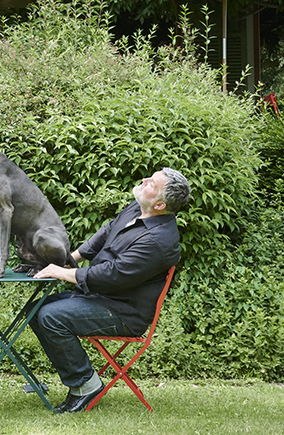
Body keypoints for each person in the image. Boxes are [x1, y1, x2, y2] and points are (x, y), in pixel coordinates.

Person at [30, 167, 190, 413]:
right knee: (34, 310)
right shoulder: (137, 209)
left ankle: (86, 385)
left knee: (50, 317)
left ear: (160, 205)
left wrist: (63, 273)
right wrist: (69, 259)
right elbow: (106, 232)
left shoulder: (158, 242)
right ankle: (81, 378)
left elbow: (112, 276)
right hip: (98, 297)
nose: (144, 180)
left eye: (151, 184)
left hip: (123, 312)